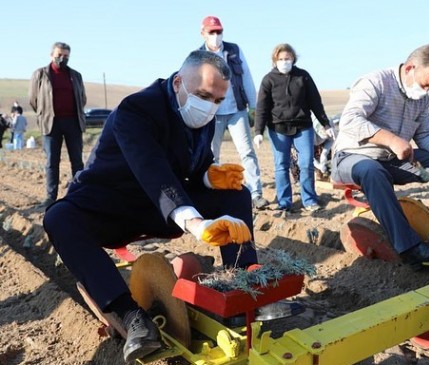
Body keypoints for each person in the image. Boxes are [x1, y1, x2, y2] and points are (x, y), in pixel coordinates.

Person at [43, 50, 258, 362]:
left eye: (217, 100)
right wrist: (197, 224)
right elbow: (152, 171)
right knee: (58, 217)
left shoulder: (201, 115)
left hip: (159, 210)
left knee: (237, 195)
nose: (209, 107)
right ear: (177, 83)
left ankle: (244, 291)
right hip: (113, 206)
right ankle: (132, 318)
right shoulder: (137, 110)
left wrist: (212, 178)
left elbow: (192, 169)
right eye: (202, 95)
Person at [331, 44, 429, 269]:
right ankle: (411, 249)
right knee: (372, 170)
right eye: (425, 84)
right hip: (352, 156)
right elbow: (350, 120)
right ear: (410, 68)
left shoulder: (421, 99)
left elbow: (426, 136)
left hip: (390, 158)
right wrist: (392, 140)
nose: (426, 91)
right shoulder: (375, 82)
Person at [198, 16, 269, 210]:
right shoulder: (197, 56)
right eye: (211, 32)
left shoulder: (234, 50)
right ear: (203, 33)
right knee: (212, 156)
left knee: (247, 152)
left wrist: (254, 107)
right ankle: (213, 193)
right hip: (212, 114)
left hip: (237, 110)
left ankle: (256, 194)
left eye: (218, 32)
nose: (215, 36)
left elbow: (246, 76)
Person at [254, 43, 334, 212]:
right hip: (278, 129)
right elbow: (261, 107)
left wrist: (326, 124)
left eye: (287, 59)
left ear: (293, 59)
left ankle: (309, 200)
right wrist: (258, 132)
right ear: (275, 60)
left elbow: (315, 102)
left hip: (303, 127)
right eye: (281, 59)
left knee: (306, 164)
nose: (284, 62)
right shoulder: (268, 80)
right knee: (281, 165)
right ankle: (285, 203)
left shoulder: (303, 77)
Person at [29, 42, 87, 208]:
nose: (62, 58)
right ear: (51, 55)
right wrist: (44, 113)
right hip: (51, 123)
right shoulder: (40, 74)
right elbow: (33, 99)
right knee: (51, 162)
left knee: (77, 161)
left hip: (73, 122)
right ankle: (50, 197)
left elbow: (82, 98)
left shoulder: (75, 75)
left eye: (66, 56)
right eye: (59, 55)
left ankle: (78, 194)